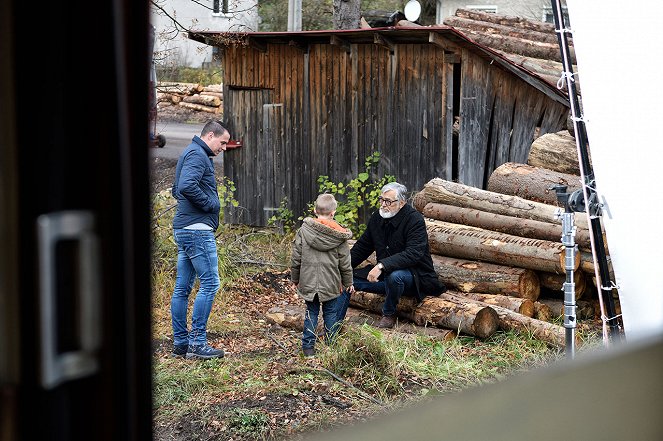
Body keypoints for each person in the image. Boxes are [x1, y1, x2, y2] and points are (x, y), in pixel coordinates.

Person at [336, 182, 446, 329]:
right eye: (381, 199)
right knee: (346, 280)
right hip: (385, 278)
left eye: (388, 201)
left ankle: (389, 314)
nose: (383, 205)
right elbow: (362, 247)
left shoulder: (414, 220)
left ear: (401, 203)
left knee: (396, 276)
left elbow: (413, 253)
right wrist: (342, 270)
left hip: (414, 278)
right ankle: (333, 327)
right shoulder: (377, 218)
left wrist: (382, 265)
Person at [170, 120, 230, 360]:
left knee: (182, 288)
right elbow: (185, 186)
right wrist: (211, 205)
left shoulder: (190, 152)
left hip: (184, 228)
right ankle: (197, 343)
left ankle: (181, 344)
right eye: (222, 142)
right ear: (210, 135)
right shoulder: (197, 154)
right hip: (196, 231)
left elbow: (176, 189)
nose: (224, 148)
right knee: (210, 284)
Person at [291, 194, 354, 357]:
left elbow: (296, 257)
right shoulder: (339, 235)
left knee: (311, 312)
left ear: (314, 210)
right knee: (331, 314)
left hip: (308, 280)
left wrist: (295, 278)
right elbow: (345, 263)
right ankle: (331, 346)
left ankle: (308, 348)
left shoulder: (303, 231)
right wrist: (348, 283)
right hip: (331, 283)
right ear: (333, 212)